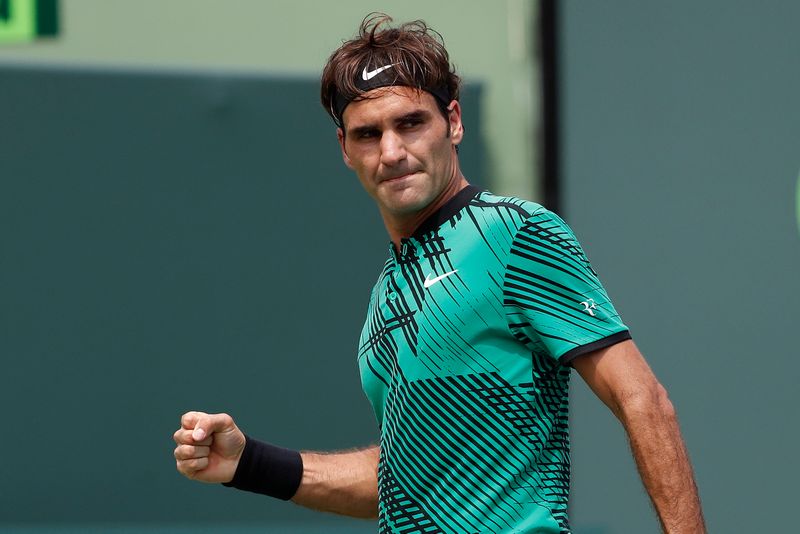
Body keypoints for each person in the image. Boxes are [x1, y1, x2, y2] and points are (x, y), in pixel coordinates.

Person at [173, 13, 705, 533]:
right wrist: (249, 465)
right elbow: (406, 482)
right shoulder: (388, 289)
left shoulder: (517, 233)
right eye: (367, 133)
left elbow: (643, 400)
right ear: (345, 149)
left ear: (452, 121)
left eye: (410, 123)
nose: (392, 152)